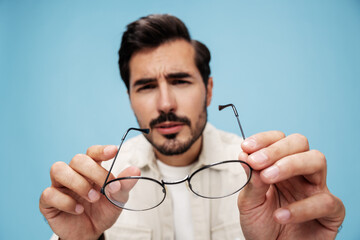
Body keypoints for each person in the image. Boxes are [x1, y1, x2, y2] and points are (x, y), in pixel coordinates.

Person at [39, 14, 345, 240]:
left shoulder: (267, 184)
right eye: (146, 87)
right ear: (130, 99)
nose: (166, 103)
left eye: (180, 81)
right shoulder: (100, 187)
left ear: (209, 90)